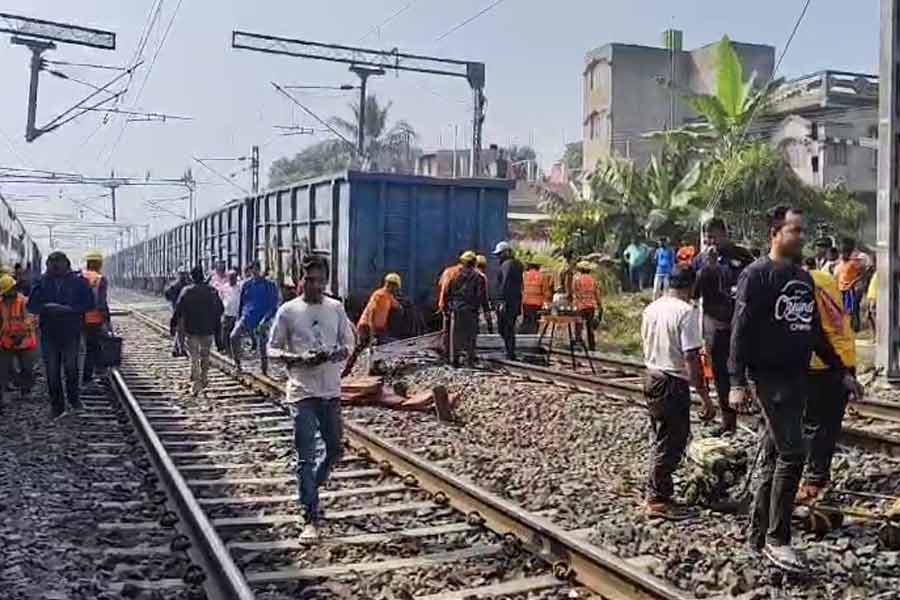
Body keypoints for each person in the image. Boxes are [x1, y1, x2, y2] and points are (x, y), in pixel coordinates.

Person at [729, 206, 862, 572]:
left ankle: (758, 537)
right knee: (793, 453)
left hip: (796, 377)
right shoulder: (756, 276)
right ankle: (779, 539)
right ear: (775, 233)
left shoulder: (803, 279)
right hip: (768, 379)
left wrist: (842, 372)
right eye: (795, 231)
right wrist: (737, 382)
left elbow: (815, 332)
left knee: (775, 459)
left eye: (803, 231)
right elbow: (740, 331)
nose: (800, 237)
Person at [267, 254, 354, 541]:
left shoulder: (336, 308)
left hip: (330, 391)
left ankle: (310, 489)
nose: (314, 286)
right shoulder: (288, 311)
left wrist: (338, 352)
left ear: (326, 281)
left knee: (334, 449)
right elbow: (272, 349)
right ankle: (310, 516)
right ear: (300, 280)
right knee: (305, 457)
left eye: (319, 280)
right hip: (301, 392)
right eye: (309, 280)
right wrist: (296, 358)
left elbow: (348, 343)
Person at [641, 265, 715, 520]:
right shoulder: (686, 312)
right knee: (673, 440)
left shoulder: (651, 308)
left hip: (651, 376)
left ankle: (657, 491)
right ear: (691, 286)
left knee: (659, 436)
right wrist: (704, 396)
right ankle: (657, 499)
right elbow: (691, 356)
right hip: (672, 381)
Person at [797, 257, 857, 504]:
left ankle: (813, 481)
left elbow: (809, 328)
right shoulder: (826, 279)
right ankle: (820, 475)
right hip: (845, 355)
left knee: (812, 423)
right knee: (830, 424)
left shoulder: (801, 284)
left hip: (821, 362)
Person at [692, 217, 755, 436]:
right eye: (707, 238)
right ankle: (728, 421)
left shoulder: (742, 255)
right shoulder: (701, 260)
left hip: (741, 322)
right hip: (715, 325)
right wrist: (707, 268)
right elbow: (693, 292)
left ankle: (754, 413)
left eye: (714, 237)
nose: (711, 242)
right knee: (720, 374)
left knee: (745, 369)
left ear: (724, 234)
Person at [27, 252, 94, 419]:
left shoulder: (79, 282)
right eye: (52, 263)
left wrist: (69, 310)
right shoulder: (41, 282)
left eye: (58, 262)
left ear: (67, 264)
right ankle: (57, 406)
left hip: (71, 331)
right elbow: (32, 306)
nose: (55, 266)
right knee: (52, 371)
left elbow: (89, 304)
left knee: (71, 368)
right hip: (49, 332)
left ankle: (74, 400)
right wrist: (46, 307)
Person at [172, 266, 224, 395]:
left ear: (192, 277)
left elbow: (178, 309)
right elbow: (220, 309)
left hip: (192, 329)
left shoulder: (187, 291)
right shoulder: (212, 291)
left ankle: (196, 383)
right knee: (205, 355)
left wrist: (173, 324)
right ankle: (204, 377)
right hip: (208, 329)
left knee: (194, 357)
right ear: (203, 276)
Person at [231, 261, 279, 375]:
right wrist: (239, 317)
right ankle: (237, 365)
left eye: (256, 270)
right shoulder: (246, 285)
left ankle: (264, 370)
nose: (254, 272)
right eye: (252, 270)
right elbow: (242, 302)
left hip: (262, 319)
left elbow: (273, 305)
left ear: (259, 270)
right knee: (233, 336)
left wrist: (265, 320)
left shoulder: (269, 285)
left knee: (262, 346)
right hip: (247, 317)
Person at [0, 274, 37, 410]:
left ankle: (25, 390)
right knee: (3, 369)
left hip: (24, 341)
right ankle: (5, 392)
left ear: (13, 289)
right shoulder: (1, 302)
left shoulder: (24, 302)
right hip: (6, 341)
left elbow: (31, 319)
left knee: (27, 368)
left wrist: (21, 334)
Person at [445, 251, 487, 367]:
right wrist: (485, 310)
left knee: (456, 337)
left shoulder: (454, 275)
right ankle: (469, 361)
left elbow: (447, 292)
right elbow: (482, 296)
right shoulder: (479, 277)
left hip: (456, 310)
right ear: (474, 263)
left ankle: (455, 361)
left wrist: (447, 307)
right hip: (471, 311)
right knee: (471, 337)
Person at [81, 251, 111, 385]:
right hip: (94, 320)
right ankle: (91, 375)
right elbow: (101, 302)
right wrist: (106, 320)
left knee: (82, 348)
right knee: (93, 348)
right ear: (99, 264)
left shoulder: (79, 277)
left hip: (78, 319)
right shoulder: (100, 279)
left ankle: (84, 375)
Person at [493, 241, 523, 360]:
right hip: (515, 301)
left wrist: (501, 300)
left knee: (504, 327)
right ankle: (510, 351)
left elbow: (505, 284)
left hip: (507, 302)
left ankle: (510, 353)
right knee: (509, 327)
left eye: (500, 254)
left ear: (506, 252)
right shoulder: (518, 264)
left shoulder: (507, 265)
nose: (498, 257)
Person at [833, 238, 870, 332]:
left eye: (844, 252)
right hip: (841, 289)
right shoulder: (841, 263)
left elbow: (863, 273)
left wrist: (854, 282)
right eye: (842, 252)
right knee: (842, 309)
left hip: (849, 289)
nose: (842, 254)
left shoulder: (854, 262)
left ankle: (852, 328)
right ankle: (845, 327)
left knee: (851, 309)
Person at [357, 273, 403, 346]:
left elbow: (398, 306)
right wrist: (371, 335)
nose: (396, 289)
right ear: (391, 285)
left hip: (379, 330)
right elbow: (371, 313)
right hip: (367, 328)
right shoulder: (379, 295)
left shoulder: (388, 296)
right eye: (396, 287)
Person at [573, 261, 602, 352]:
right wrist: (599, 304)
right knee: (590, 327)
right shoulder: (593, 280)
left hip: (580, 306)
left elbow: (574, 292)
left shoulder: (577, 279)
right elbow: (597, 293)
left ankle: (578, 344)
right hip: (591, 306)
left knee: (579, 326)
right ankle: (592, 346)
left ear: (580, 270)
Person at [165, 266, 191, 357]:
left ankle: (177, 349)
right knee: (181, 330)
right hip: (180, 310)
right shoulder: (182, 285)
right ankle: (179, 349)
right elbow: (167, 295)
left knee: (180, 330)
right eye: (183, 274)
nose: (184, 276)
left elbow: (167, 295)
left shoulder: (175, 285)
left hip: (179, 309)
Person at [208, 259, 231, 352]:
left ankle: (226, 345)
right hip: (215, 305)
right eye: (219, 267)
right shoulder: (212, 278)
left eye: (223, 267)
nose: (221, 269)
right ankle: (220, 346)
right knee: (217, 326)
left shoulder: (229, 277)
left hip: (228, 304)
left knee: (226, 327)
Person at [220, 270, 241, 357]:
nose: (232, 279)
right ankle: (228, 350)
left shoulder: (240, 287)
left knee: (235, 334)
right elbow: (221, 298)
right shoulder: (224, 287)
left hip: (237, 314)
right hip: (227, 313)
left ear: (236, 278)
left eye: (234, 277)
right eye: (230, 277)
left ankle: (236, 351)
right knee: (225, 333)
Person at [521, 261, 544, 334]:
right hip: (537, 303)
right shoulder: (541, 276)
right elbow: (544, 290)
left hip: (526, 302)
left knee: (526, 320)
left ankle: (525, 335)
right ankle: (533, 334)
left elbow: (521, 288)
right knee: (535, 321)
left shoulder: (524, 275)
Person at [866, 270, 878, 337]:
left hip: (874, 297)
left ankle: (877, 335)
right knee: (869, 316)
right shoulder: (876, 273)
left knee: (874, 316)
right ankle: (874, 335)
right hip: (870, 297)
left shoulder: (881, 274)